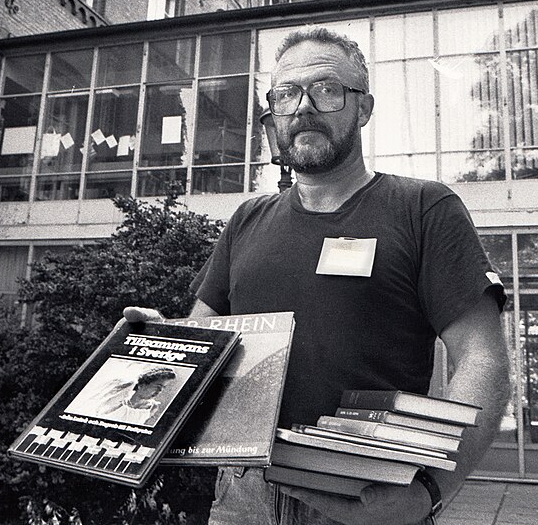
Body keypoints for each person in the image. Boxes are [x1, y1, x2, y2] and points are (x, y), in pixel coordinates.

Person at [125, 27, 510, 525]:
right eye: (287, 94)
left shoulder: (423, 208)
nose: (303, 106)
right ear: (274, 112)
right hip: (241, 497)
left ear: (364, 108)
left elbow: (482, 359)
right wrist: (153, 340)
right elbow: (198, 342)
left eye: (327, 89)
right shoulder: (247, 220)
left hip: (366, 493)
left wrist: (430, 491)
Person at [77, 366, 176, 427]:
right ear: (143, 384)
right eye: (158, 386)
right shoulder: (120, 399)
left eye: (163, 388)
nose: (160, 391)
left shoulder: (153, 407)